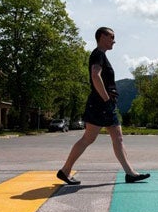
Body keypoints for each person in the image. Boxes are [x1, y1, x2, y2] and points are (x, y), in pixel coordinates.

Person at [57, 27, 150, 185]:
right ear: (102, 37)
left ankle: (130, 173)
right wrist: (106, 100)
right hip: (101, 104)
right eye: (111, 37)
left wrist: (108, 101)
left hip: (104, 104)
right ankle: (65, 170)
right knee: (89, 138)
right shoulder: (98, 54)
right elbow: (95, 75)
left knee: (116, 138)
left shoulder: (101, 55)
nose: (114, 40)